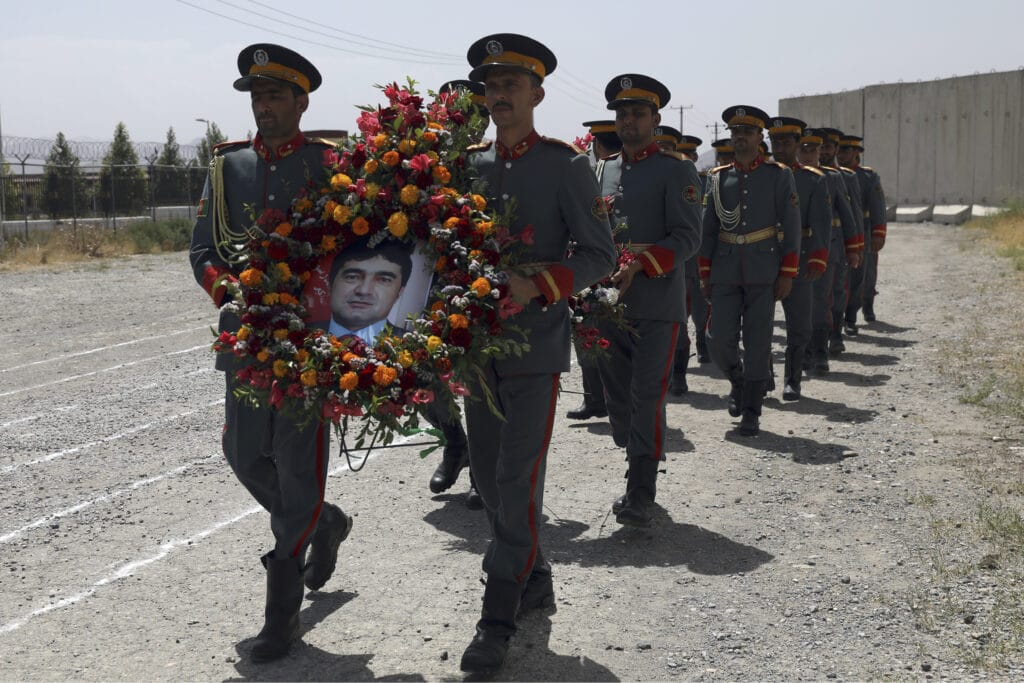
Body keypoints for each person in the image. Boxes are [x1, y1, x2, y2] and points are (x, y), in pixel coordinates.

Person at [188, 43, 352, 663]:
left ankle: (280, 616)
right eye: (256, 97)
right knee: (241, 452)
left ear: (301, 101)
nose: (263, 107)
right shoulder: (228, 168)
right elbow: (204, 250)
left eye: (274, 96)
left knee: (296, 462)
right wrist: (227, 288)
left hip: (309, 343)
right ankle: (326, 521)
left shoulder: (328, 165)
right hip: (249, 338)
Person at [458, 33, 616, 675]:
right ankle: (538, 572)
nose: (499, 94)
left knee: (516, 479)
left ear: (537, 92)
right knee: (487, 478)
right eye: (491, 85)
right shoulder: (462, 162)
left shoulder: (564, 163)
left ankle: (496, 618)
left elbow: (600, 254)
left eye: (511, 84)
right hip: (475, 349)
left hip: (533, 347)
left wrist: (541, 282)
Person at [596, 74, 703, 525]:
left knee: (646, 394)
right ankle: (634, 446)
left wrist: (641, 265)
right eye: (621, 114)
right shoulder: (603, 169)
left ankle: (640, 488)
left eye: (638, 113)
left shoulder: (676, 170)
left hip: (657, 300)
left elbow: (687, 237)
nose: (629, 121)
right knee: (618, 400)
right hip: (607, 302)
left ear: (656, 119)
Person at [698, 105, 801, 436]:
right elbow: (708, 229)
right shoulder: (717, 179)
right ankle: (739, 381)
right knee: (718, 339)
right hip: (726, 269)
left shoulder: (778, 175)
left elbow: (793, 225)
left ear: (760, 137)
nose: (740, 137)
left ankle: (752, 411)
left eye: (747, 132)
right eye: (735, 132)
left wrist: (787, 272)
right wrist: (704, 272)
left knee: (758, 342)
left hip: (763, 269)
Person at [424, 79, 488, 508]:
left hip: (480, 288)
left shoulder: (493, 163)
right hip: (427, 284)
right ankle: (455, 442)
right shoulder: (421, 164)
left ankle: (484, 476)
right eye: (450, 113)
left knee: (481, 382)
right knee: (422, 375)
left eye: (469, 115)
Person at [767, 117, 831, 400]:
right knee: (759, 323)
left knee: (799, 325)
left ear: (796, 144)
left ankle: (792, 379)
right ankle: (764, 374)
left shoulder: (811, 179)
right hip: (762, 257)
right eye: (775, 142)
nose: (780, 147)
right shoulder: (758, 175)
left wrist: (818, 257)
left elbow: (822, 222)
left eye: (786, 142)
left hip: (800, 258)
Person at [564, 119, 621, 422]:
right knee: (585, 329)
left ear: (597, 144)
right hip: (593, 264)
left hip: (610, 266)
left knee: (606, 335)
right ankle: (594, 399)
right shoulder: (591, 170)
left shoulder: (608, 172)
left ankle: (611, 400)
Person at [802, 128, 862, 375]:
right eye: (802, 150)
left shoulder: (832, 178)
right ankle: (802, 353)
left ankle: (820, 351)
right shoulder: (785, 176)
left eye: (812, 150)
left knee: (821, 301)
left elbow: (849, 215)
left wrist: (854, 248)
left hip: (827, 246)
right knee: (798, 306)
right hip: (792, 249)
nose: (808, 155)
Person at [820, 128, 863, 356]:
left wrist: (855, 247)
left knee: (837, 291)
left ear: (836, 149)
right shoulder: (806, 175)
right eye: (821, 147)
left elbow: (853, 214)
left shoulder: (846, 177)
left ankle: (836, 333)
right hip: (813, 244)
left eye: (828, 147)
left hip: (836, 244)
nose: (823, 152)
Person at [672, 134, 708, 394]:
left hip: (697, 262)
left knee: (702, 313)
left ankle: (703, 350)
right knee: (678, 322)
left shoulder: (707, 182)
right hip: (674, 265)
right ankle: (677, 376)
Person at [838, 135, 888, 326]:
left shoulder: (867, 177)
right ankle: (843, 313)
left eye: (846, 150)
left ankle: (867, 304)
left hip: (863, 230)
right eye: (839, 150)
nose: (841, 154)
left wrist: (878, 234)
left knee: (866, 273)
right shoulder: (833, 174)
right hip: (839, 230)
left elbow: (878, 207)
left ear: (856, 153)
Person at [324, 239, 412, 344]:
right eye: (352, 277)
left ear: (399, 292)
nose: (364, 291)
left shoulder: (413, 348)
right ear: (330, 283)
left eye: (383, 280)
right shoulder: (302, 333)